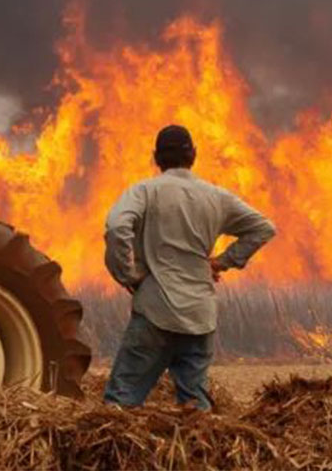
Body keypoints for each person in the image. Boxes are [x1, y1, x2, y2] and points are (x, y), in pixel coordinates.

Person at [103, 125, 276, 410]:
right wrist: (222, 261)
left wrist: (127, 275)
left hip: (155, 312)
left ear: (156, 157)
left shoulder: (145, 191)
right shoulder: (216, 197)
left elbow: (117, 226)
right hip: (200, 316)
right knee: (195, 413)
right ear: (193, 155)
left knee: (119, 406)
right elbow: (263, 228)